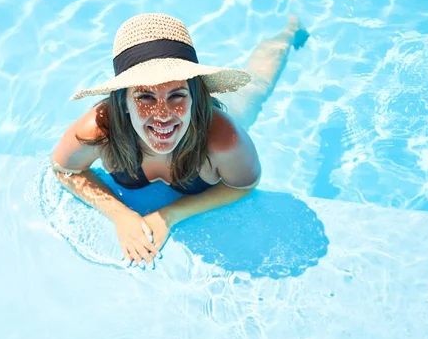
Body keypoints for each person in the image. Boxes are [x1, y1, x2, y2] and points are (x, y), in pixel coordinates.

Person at [51, 13, 309, 267]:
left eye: (177, 95)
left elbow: (241, 185)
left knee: (257, 86)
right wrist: (121, 215)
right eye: (145, 97)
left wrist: (170, 215)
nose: (162, 115)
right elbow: (66, 169)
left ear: (194, 95)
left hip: (207, 120)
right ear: (124, 101)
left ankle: (288, 32)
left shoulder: (224, 140)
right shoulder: (101, 130)